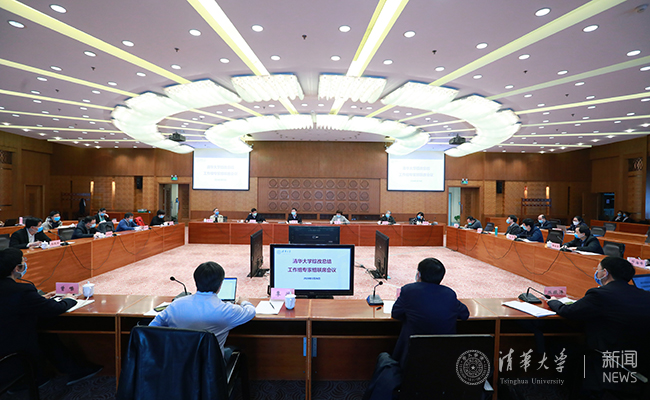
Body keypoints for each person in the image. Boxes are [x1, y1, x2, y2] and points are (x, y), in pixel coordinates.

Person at [363, 258, 469, 400]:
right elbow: (465, 314)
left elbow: (396, 313)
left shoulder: (409, 290)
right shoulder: (449, 294)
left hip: (410, 364)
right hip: (443, 364)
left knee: (384, 357)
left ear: (418, 274)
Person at [546, 257, 650, 399]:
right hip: (641, 360)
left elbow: (567, 311)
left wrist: (553, 301)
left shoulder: (599, 294)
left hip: (608, 359)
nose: (597, 272)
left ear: (605, 273)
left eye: (598, 269)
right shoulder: (646, 295)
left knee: (559, 344)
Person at [0, 248, 102, 390]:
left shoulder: (17, 291)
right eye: (24, 261)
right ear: (17, 268)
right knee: (46, 332)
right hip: (14, 347)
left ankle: (59, 371)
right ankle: (60, 372)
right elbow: (54, 309)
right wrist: (69, 299)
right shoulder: (23, 290)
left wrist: (38, 299)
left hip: (5, 340)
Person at [149, 261, 255, 363]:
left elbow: (151, 329)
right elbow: (251, 311)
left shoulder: (175, 305)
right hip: (211, 369)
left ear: (196, 281)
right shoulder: (227, 310)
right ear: (220, 285)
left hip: (178, 366)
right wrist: (244, 301)